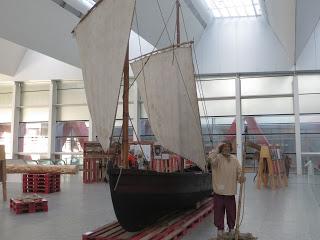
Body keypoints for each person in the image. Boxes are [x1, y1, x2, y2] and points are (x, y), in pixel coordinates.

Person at [207, 140, 245, 238]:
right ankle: (220, 230)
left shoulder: (234, 159)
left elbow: (239, 171)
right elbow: (209, 159)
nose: (226, 148)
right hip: (218, 192)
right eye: (224, 147)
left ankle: (231, 229)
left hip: (230, 191)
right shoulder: (217, 158)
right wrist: (217, 148)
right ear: (221, 148)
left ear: (230, 148)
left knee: (231, 212)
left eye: (228, 147)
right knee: (219, 212)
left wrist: (241, 177)